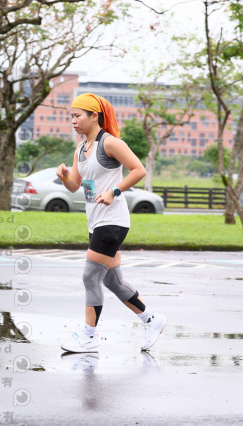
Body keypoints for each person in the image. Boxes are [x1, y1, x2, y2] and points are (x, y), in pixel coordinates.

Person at [58, 93, 167, 353]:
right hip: (96, 222)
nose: (73, 121)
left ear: (94, 116)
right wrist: (64, 177)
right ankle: (151, 320)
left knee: (89, 276)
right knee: (112, 282)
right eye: (71, 116)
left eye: (77, 115)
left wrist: (114, 191)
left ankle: (89, 335)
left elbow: (139, 170)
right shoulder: (80, 149)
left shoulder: (110, 143)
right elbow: (76, 186)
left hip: (113, 221)